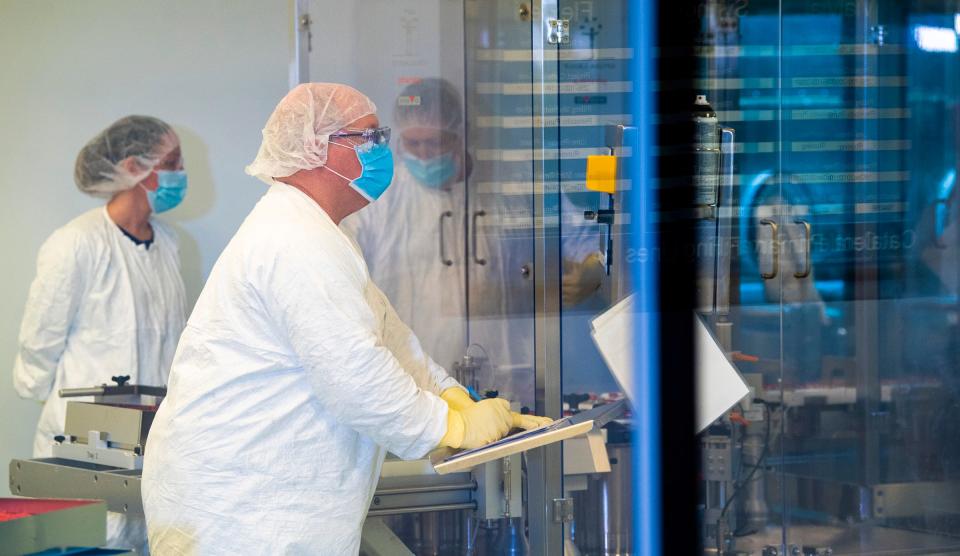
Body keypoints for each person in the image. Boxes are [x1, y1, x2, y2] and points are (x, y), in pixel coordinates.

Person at [141, 83, 550, 554]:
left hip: (266, 504)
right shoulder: (295, 241)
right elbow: (356, 375)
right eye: (369, 138)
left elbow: (386, 335)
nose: (383, 151)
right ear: (318, 148)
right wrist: (450, 428)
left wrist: (448, 394)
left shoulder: (318, 231)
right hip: (242, 514)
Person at [343, 79, 605, 404]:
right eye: (414, 143)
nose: (424, 155)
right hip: (414, 388)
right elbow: (338, 260)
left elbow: (589, 238)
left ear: (463, 135)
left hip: (505, 376)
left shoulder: (512, 185)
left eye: (436, 142)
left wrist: (594, 269)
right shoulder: (380, 201)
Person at [13, 115, 188, 552]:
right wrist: (46, 396)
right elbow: (40, 340)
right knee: (88, 540)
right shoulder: (76, 243)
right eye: (172, 161)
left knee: (146, 539)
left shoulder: (168, 244)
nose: (180, 174)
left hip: (150, 437)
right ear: (134, 166)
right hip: (82, 441)